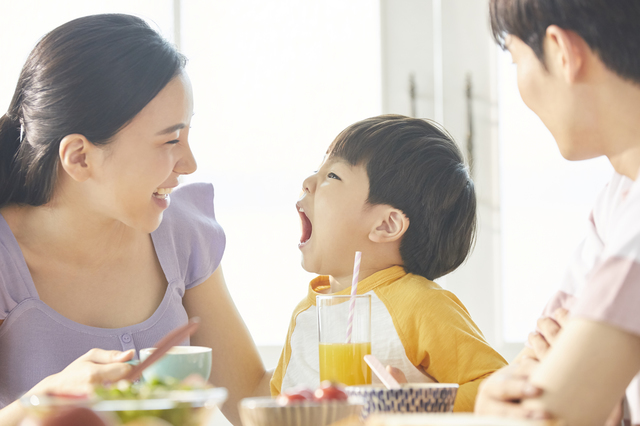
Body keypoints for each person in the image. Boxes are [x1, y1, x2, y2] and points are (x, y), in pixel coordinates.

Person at [0, 14, 269, 426]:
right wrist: (46, 399)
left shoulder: (180, 231)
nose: (190, 164)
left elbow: (250, 398)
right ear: (80, 157)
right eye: (170, 140)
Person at [270, 115, 507, 411]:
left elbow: (498, 387)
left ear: (386, 224)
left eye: (333, 176)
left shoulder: (420, 305)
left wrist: (423, 404)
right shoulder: (305, 315)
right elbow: (278, 405)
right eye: (319, 170)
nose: (308, 182)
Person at [474, 1, 640, 425]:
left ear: (561, 51)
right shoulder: (617, 200)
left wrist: (499, 407)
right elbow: (543, 361)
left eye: (515, 59)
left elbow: (541, 413)